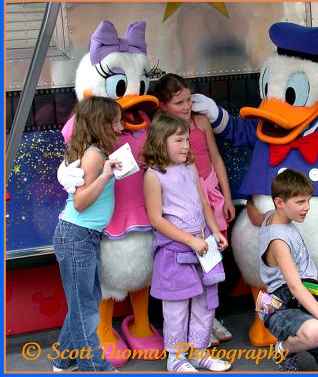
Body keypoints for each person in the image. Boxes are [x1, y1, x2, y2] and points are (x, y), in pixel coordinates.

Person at [141, 112, 232, 372]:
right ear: (160, 142)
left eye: (187, 140)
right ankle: (176, 358)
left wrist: (215, 231)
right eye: (179, 141)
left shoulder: (190, 167)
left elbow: (203, 203)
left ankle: (200, 352)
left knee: (205, 302)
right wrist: (192, 241)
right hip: (175, 253)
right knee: (177, 306)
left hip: (203, 248)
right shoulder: (153, 176)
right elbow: (156, 219)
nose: (186, 146)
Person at [259, 169, 318, 372]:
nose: (307, 208)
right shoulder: (278, 240)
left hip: (307, 300)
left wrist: (249, 203)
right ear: (279, 202)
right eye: (300, 202)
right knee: (316, 331)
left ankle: (314, 334)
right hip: (283, 307)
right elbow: (295, 288)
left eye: (308, 201)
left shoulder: (272, 215)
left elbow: (255, 215)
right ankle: (283, 349)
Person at [51, 96, 123, 372]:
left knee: (84, 302)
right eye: (115, 122)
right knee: (86, 307)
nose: (120, 127)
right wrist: (105, 176)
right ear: (101, 124)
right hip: (77, 235)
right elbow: (81, 202)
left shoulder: (96, 153)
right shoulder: (95, 155)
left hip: (83, 236)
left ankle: (63, 360)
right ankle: (94, 366)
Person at [153, 73, 235, 237]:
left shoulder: (201, 121)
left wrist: (227, 198)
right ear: (162, 106)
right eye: (179, 103)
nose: (187, 106)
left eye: (189, 99)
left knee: (217, 240)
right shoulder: (159, 131)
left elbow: (216, 159)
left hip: (211, 192)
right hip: (183, 198)